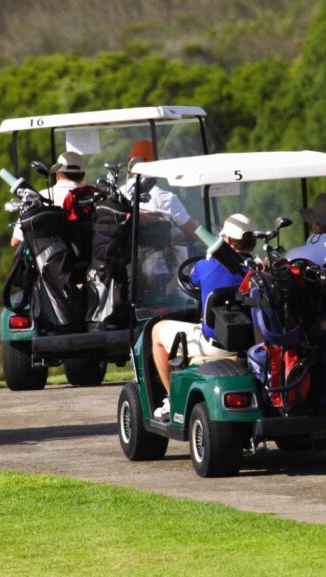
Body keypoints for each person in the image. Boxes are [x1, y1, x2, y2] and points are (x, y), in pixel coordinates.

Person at [148, 214, 256, 420]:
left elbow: (194, 281)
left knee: (156, 331)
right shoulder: (258, 268)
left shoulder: (206, 266)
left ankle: (171, 399)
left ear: (226, 240)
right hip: (251, 342)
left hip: (216, 343)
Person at [128, 140, 202, 244]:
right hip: (163, 257)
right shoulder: (166, 199)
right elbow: (197, 235)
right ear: (157, 162)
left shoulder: (120, 192)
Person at [10, 151, 85, 247]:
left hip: (52, 260)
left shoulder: (39, 197)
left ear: (57, 173)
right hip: (92, 259)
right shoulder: (96, 196)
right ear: (83, 175)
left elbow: (16, 242)